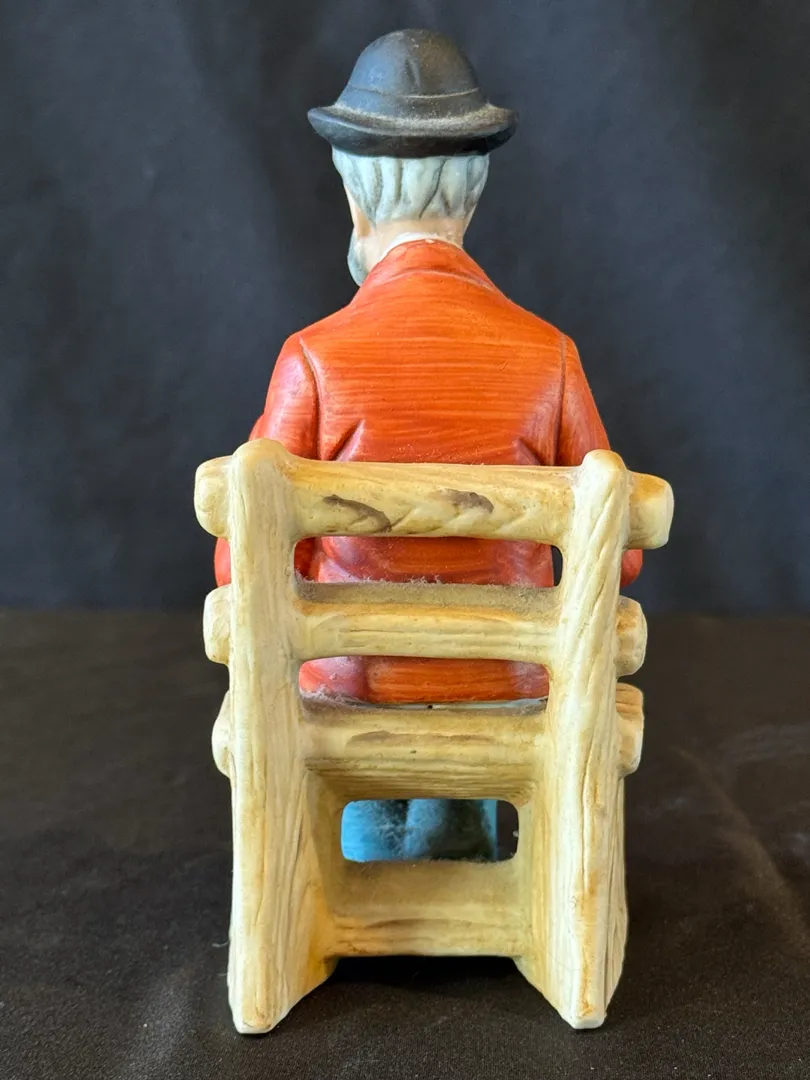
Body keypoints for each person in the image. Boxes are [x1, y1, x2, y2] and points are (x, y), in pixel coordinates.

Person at [214, 29, 642, 861]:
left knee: (353, 740)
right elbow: (618, 553)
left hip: (354, 691)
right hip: (506, 693)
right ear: (472, 198)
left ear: (355, 200)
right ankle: (462, 846)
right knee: (470, 731)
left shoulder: (314, 361)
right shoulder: (549, 357)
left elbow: (242, 560)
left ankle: (369, 875)